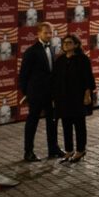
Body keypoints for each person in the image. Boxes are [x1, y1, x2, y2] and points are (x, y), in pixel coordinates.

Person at [17, 26, 60, 161]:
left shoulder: (52, 49)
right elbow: (23, 74)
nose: (48, 35)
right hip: (36, 93)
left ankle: (53, 149)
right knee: (32, 122)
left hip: (50, 93)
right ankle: (28, 152)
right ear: (38, 34)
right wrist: (26, 93)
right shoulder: (31, 51)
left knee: (52, 122)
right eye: (45, 32)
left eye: (50, 32)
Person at [51, 32, 95, 162]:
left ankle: (80, 150)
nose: (66, 45)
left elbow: (88, 79)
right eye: (64, 43)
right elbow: (55, 80)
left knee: (79, 124)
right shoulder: (60, 60)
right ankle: (69, 150)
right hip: (63, 98)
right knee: (66, 125)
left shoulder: (82, 59)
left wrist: (87, 95)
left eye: (69, 42)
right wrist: (54, 98)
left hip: (78, 97)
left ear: (76, 45)